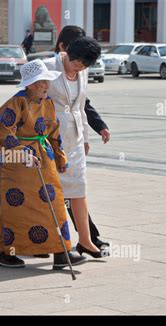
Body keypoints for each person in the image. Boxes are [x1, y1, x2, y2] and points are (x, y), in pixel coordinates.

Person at [0, 59, 87, 270]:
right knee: (17, 211)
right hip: (17, 167)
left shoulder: (47, 102)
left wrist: (60, 157)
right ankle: (5, 252)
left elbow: (53, 132)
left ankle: (61, 252)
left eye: (46, 81)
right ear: (31, 84)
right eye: (42, 82)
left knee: (55, 205)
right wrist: (22, 153)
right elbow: (3, 132)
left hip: (43, 161)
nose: (46, 85)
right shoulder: (15, 104)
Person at [43, 36, 108, 258]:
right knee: (54, 194)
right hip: (51, 140)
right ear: (67, 53)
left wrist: (88, 137)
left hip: (76, 140)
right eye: (76, 63)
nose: (79, 68)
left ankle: (86, 241)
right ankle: (56, 244)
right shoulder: (48, 66)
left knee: (79, 190)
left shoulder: (84, 72)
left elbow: (81, 107)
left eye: (84, 65)